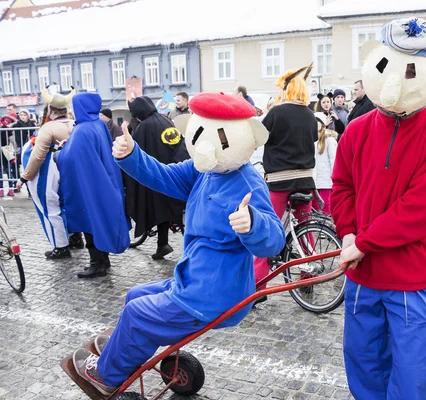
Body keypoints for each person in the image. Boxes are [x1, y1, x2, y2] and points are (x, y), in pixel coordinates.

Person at [72, 92, 285, 396]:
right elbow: (164, 176)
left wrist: (253, 223)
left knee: (138, 314)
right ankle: (124, 347)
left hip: (211, 294)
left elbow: (274, 241)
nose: (205, 147)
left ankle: (107, 373)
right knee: (135, 296)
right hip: (192, 279)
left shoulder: (247, 184)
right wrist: (132, 153)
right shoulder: (206, 171)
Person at [332, 18, 426, 399]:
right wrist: (348, 232)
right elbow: (342, 187)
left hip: (415, 279)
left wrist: (364, 241)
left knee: (412, 376)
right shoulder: (356, 129)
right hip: (363, 276)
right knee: (363, 365)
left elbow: (421, 210)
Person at [253, 64, 318, 300]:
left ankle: (258, 284)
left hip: (280, 180)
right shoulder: (310, 115)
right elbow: (312, 138)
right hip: (305, 180)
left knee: (267, 230)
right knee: (305, 229)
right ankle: (307, 275)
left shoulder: (277, 112)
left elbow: (258, 135)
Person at [58, 92, 130, 278]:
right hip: (102, 179)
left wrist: (60, 152)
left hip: (89, 184)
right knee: (99, 220)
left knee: (90, 221)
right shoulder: (98, 124)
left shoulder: (82, 130)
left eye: (74, 106)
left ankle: (97, 263)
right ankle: (103, 260)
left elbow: (69, 158)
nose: (72, 110)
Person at [125, 96, 189, 259]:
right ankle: (162, 244)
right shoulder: (165, 120)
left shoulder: (144, 127)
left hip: (160, 175)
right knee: (166, 209)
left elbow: (137, 156)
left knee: (159, 208)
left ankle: (163, 244)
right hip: (176, 171)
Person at [17, 89, 77, 259]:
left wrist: (25, 177)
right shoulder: (75, 124)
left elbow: (38, 156)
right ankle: (75, 237)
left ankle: (61, 246)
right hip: (73, 173)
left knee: (51, 208)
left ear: (50, 110)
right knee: (69, 205)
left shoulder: (49, 127)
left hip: (53, 172)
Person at [312, 112, 337, 215]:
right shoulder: (311, 139)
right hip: (313, 179)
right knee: (314, 205)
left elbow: (334, 159)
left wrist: (334, 177)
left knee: (326, 204)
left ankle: (326, 225)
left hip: (326, 179)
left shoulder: (329, 140)